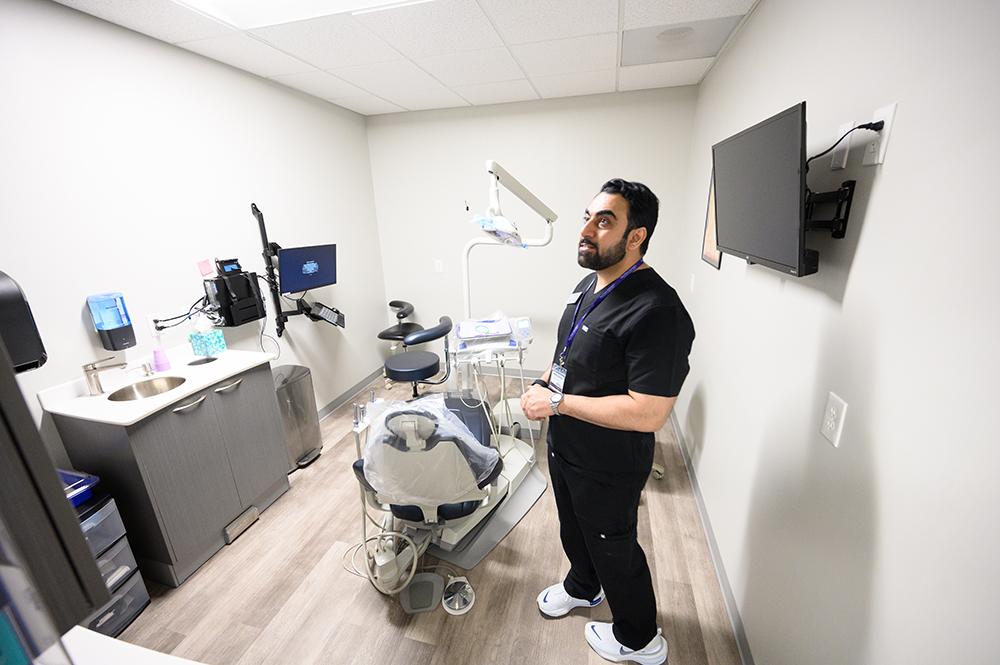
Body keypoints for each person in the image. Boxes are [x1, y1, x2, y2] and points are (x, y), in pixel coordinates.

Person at [520, 178, 695, 665]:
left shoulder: (658, 311)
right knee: (574, 529)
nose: (587, 230)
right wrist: (546, 384)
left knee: (613, 545)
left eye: (604, 221)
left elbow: (650, 410)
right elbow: (573, 352)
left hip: (609, 461)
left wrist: (558, 405)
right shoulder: (590, 283)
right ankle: (583, 586)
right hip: (567, 447)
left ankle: (641, 641)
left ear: (636, 236)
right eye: (587, 217)